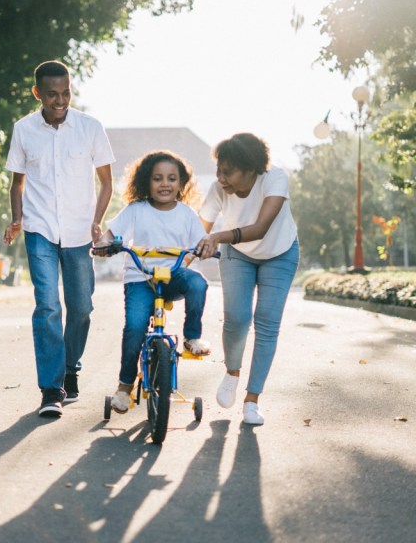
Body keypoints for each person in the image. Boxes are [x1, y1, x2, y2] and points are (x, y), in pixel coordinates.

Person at [3, 60, 115, 418]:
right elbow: (17, 182)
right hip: (39, 230)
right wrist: (18, 218)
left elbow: (107, 182)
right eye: (52, 94)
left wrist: (97, 221)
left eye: (66, 92)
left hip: (80, 231)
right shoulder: (24, 130)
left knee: (81, 308)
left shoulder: (90, 128)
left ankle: (70, 368)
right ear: (38, 93)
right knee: (48, 306)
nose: (60, 100)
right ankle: (51, 389)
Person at [96, 150, 211, 414]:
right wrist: (104, 244)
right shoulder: (136, 210)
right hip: (140, 278)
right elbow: (111, 234)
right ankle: (124, 386)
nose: (165, 184)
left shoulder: (186, 214)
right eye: (157, 178)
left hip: (172, 277)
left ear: (181, 183)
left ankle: (192, 337)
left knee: (198, 283)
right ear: (147, 182)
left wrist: (203, 250)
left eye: (172, 178)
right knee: (135, 326)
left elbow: (200, 243)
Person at [196, 132, 299, 426]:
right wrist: (185, 255)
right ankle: (232, 372)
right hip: (237, 254)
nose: (221, 178)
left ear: (251, 169)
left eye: (228, 172)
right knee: (237, 318)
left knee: (266, 321)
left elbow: (261, 227)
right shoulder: (219, 189)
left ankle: (252, 400)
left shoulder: (274, 179)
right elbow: (198, 229)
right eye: (219, 170)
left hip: (279, 252)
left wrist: (218, 236)